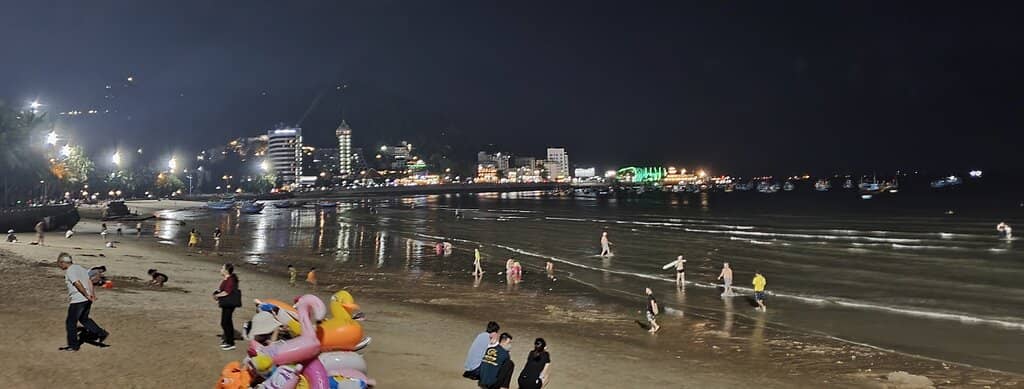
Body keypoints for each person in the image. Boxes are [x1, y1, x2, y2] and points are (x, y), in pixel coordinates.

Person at [57, 253, 108, 351]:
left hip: (79, 300)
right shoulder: (79, 267)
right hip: (87, 299)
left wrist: (86, 294)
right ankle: (101, 333)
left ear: (63, 262)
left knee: (71, 323)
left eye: (59, 263)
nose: (59, 266)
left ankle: (73, 346)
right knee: (84, 319)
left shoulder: (70, 271)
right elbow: (89, 281)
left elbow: (77, 283)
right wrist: (92, 294)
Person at [212, 263, 241, 350]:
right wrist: (216, 293)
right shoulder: (227, 279)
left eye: (222, 268)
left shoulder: (230, 279)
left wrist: (217, 296)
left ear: (226, 270)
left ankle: (230, 343)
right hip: (227, 303)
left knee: (225, 322)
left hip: (230, 303)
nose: (220, 270)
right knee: (227, 322)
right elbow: (222, 289)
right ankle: (228, 340)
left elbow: (227, 292)